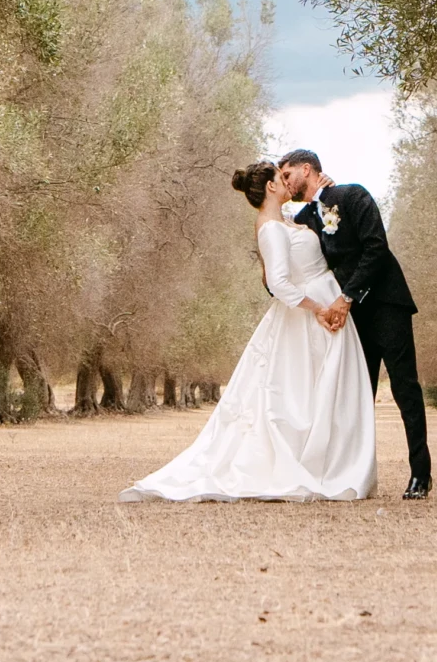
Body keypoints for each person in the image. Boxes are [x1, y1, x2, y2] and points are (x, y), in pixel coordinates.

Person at [119, 161, 376, 502]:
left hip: (326, 307)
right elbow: (278, 282)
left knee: (326, 392)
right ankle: (303, 467)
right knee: (294, 397)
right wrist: (318, 309)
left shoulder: (288, 221)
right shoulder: (270, 227)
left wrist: (323, 194)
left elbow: (319, 231)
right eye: (281, 177)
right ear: (271, 186)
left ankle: (329, 464)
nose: (287, 182)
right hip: (307, 318)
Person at [277, 149, 431, 499]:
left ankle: (420, 474)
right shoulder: (305, 218)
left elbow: (376, 247)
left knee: (405, 388)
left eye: (288, 175)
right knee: (357, 395)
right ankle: (354, 474)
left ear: (307, 169)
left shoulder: (352, 195)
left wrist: (346, 298)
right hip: (349, 318)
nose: (286, 182)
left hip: (386, 304)